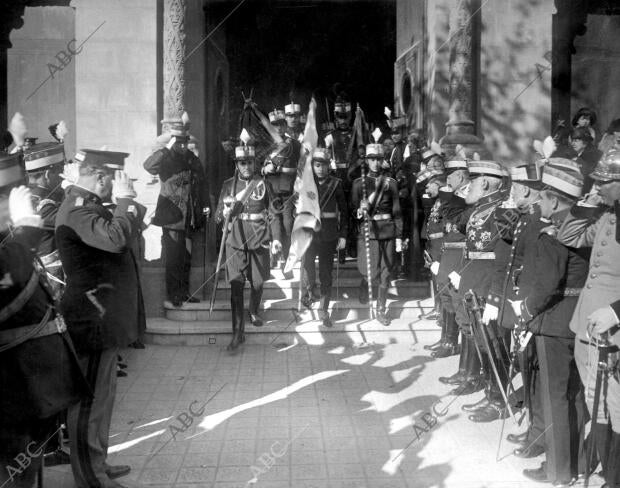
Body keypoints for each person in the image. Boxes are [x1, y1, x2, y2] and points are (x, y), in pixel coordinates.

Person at [56, 149, 145, 488]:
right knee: (88, 403)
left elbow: (123, 231)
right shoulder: (78, 210)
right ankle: (90, 476)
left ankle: (98, 463)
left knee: (102, 399)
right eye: (115, 179)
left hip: (102, 320)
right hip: (90, 321)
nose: (117, 186)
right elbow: (115, 239)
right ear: (102, 177)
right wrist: (124, 202)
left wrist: (126, 206)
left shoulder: (89, 207)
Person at [0, 153, 89, 488]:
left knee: (24, 467)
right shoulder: (12, 242)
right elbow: (7, 278)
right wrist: (24, 234)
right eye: (7, 198)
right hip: (11, 385)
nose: (14, 207)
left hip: (26, 383)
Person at [510, 162, 589, 485]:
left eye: (543, 198)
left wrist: (525, 311)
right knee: (576, 396)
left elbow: (546, 287)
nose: (539, 205)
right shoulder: (585, 224)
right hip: (580, 318)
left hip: (553, 322)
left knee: (554, 398)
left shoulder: (553, 231)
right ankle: (580, 463)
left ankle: (558, 471)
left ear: (555, 201)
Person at [557, 149, 620, 488]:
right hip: (586, 322)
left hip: (612, 327)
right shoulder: (608, 217)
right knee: (596, 405)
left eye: (604, 182)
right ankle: (603, 471)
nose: (597, 186)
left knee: (614, 406)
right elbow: (568, 237)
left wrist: (615, 312)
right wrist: (587, 202)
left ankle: (612, 477)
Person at [448, 160, 507, 416]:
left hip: (486, 286)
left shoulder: (502, 211)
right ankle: (489, 392)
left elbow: (503, 257)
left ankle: (498, 400)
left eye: (472, 180)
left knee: (493, 344)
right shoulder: (480, 208)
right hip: (472, 283)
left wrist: (493, 295)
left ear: (483, 183)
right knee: (482, 343)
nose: (467, 185)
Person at [215, 144, 282, 351]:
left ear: (255, 163)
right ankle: (237, 332)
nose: (246, 166)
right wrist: (223, 213)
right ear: (237, 165)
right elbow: (218, 216)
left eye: (249, 162)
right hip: (235, 240)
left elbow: (274, 213)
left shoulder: (263, 184)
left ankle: (253, 310)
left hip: (259, 238)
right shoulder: (228, 185)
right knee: (236, 285)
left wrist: (277, 238)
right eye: (242, 163)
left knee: (258, 283)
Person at [143, 118, 210, 307]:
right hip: (172, 217)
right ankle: (174, 295)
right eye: (178, 142)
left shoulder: (192, 158)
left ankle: (185, 292)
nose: (182, 145)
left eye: (184, 141)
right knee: (173, 257)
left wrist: (206, 208)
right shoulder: (166, 157)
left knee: (187, 257)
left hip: (190, 216)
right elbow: (148, 166)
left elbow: (203, 185)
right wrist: (166, 149)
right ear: (173, 141)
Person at [351, 141, 403, 326]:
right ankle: (365, 283)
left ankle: (381, 309)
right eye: (371, 159)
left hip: (388, 231)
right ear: (366, 161)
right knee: (370, 271)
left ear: (382, 161)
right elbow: (353, 212)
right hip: (369, 231)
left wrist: (399, 236)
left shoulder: (391, 183)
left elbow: (397, 211)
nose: (375, 163)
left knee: (386, 273)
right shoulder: (359, 184)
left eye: (378, 159)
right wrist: (360, 210)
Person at [300, 148, 348, 327]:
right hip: (309, 234)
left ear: (329, 166)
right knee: (308, 269)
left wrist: (343, 235)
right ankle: (309, 293)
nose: (320, 169)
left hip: (328, 235)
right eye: (317, 165)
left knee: (326, 274)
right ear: (312, 166)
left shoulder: (336, 184)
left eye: (324, 165)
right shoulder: (306, 184)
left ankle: (323, 310)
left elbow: (345, 212)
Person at [428, 156, 469, 358]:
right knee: (445, 294)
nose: (447, 180)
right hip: (448, 249)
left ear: (460, 175)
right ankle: (448, 339)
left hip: (460, 251)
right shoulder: (454, 194)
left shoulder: (467, 196)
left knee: (455, 297)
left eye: (450, 176)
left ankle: (452, 342)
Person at [24, 141, 66, 297]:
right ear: (48, 175)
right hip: (52, 273)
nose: (62, 177)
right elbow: (74, 223)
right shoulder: (44, 204)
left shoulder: (25, 196)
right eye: (59, 172)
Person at [264, 109, 302, 273]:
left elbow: (302, 166)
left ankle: (286, 259)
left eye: (280, 124)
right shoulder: (265, 145)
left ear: (285, 125)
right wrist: (266, 168)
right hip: (271, 188)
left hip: (288, 189)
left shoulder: (293, 144)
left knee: (288, 224)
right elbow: (257, 166)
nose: (278, 128)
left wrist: (299, 186)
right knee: (273, 221)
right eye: (274, 125)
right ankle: (273, 256)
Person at [569, 126, 602, 194]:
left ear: (585, 142)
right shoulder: (578, 154)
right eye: (572, 140)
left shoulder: (592, 156)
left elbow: (588, 178)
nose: (573, 143)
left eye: (576, 141)